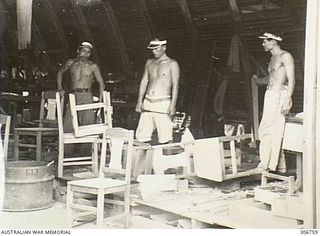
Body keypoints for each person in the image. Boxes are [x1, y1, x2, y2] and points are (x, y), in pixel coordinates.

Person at [254, 32, 295, 173]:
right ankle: (278, 166)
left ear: (273, 42)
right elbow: (272, 78)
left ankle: (266, 165)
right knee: (268, 129)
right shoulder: (272, 58)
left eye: (265, 41)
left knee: (272, 130)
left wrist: (287, 99)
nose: (263, 44)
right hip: (270, 93)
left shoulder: (285, 56)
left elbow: (291, 79)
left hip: (280, 95)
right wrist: (257, 80)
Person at [135, 38, 180, 144]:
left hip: (163, 102)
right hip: (148, 102)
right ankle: (143, 159)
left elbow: (176, 86)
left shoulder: (172, 64)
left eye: (156, 48)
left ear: (164, 48)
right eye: (152, 49)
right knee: (142, 136)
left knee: (165, 135)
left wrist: (172, 105)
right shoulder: (150, 62)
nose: (154, 51)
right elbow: (144, 81)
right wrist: (139, 101)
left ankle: (168, 158)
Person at [57, 41, 105, 132]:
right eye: (83, 51)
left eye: (88, 52)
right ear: (78, 51)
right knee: (68, 123)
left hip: (87, 95)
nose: (85, 54)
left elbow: (101, 83)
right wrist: (59, 87)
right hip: (74, 96)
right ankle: (68, 145)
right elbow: (60, 72)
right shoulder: (70, 63)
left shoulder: (93, 66)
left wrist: (100, 101)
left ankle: (86, 146)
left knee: (87, 124)